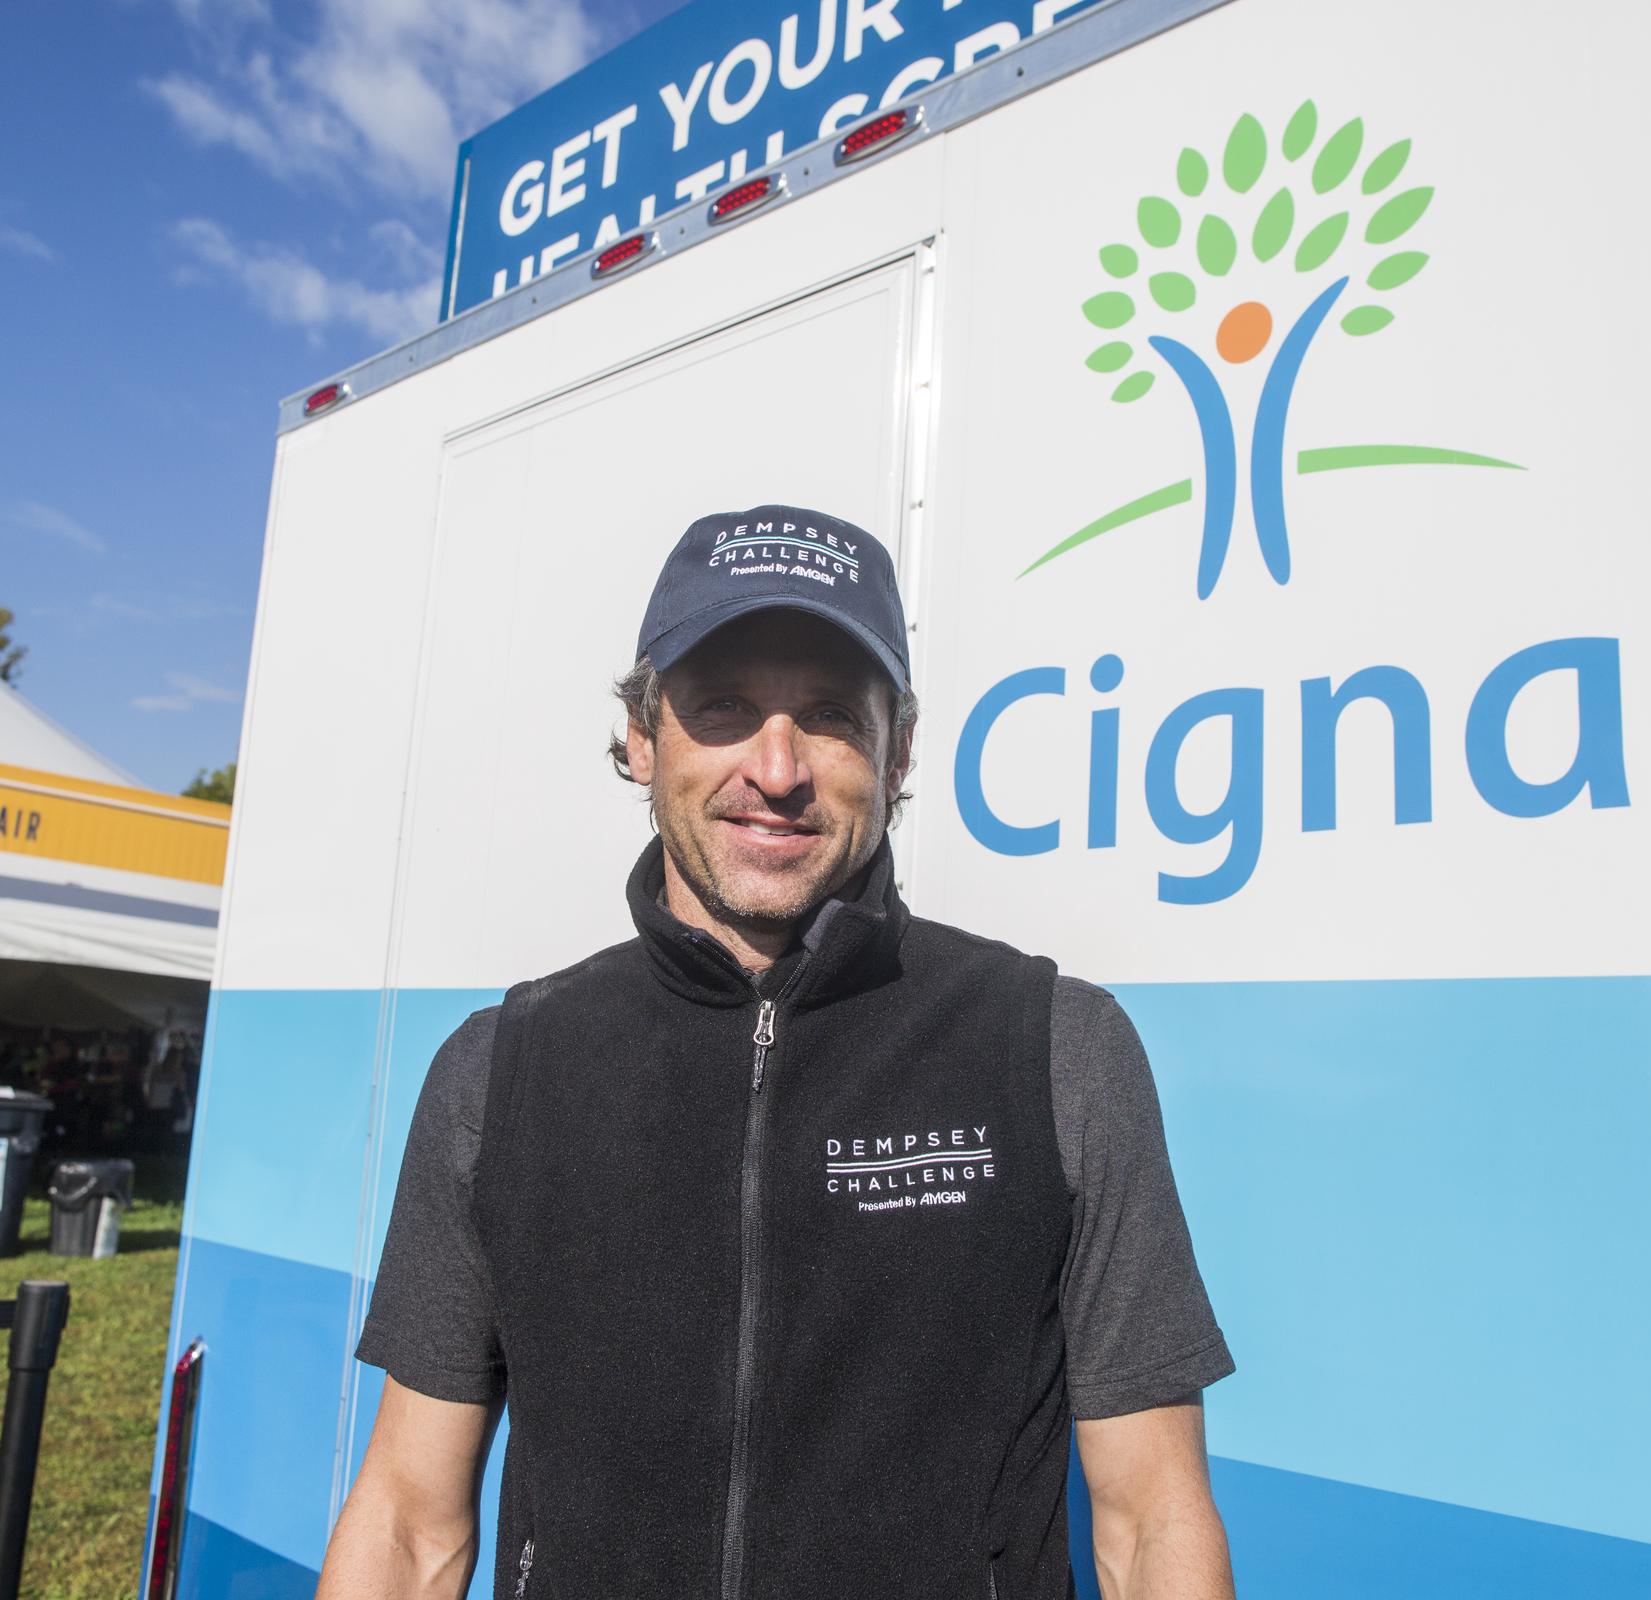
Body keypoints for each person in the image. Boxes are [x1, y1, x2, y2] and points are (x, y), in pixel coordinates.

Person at [323, 506, 1236, 1599]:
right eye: (723, 707)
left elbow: (1149, 1521)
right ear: (641, 737)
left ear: (897, 751)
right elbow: (409, 1522)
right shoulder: (500, 1071)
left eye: (829, 716)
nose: (777, 766)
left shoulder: (1055, 1047)